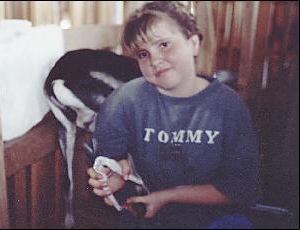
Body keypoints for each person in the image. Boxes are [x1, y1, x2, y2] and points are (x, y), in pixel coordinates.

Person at [87, 1, 262, 229]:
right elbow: (115, 167)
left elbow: (240, 189)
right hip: (152, 218)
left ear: (193, 43)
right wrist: (116, 179)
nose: (155, 60)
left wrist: (169, 196)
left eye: (164, 44)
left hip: (217, 218)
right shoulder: (124, 101)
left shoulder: (228, 105)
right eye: (143, 53)